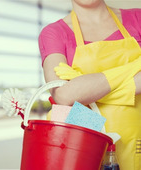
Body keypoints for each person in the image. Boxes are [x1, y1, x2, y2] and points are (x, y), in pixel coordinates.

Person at [38, 0, 141, 169]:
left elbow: (72, 94)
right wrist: (135, 69)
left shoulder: (138, 18)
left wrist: (84, 87)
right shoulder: (53, 33)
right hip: (84, 150)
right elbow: (64, 95)